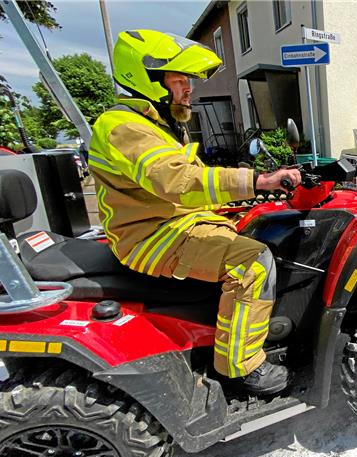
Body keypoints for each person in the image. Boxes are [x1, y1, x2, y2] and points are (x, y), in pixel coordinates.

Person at [87, 30, 300, 394]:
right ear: (150, 79)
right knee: (254, 262)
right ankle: (241, 366)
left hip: (171, 222)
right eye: (180, 80)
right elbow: (178, 181)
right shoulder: (125, 127)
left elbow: (188, 188)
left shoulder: (159, 126)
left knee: (253, 228)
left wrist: (243, 202)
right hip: (149, 237)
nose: (189, 89)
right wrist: (258, 181)